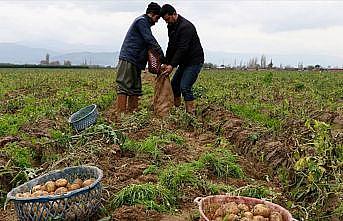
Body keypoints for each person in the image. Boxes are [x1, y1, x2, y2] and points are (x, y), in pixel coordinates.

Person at [115, 2, 164, 114]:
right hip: (129, 57)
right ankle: (120, 115)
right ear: (151, 14)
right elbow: (149, 40)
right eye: (157, 18)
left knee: (135, 88)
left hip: (136, 60)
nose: (156, 22)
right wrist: (161, 55)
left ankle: (133, 113)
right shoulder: (141, 21)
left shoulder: (144, 23)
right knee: (124, 86)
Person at [160, 4, 204, 114]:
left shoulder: (186, 27)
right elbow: (171, 46)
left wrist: (172, 65)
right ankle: (178, 111)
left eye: (168, 19)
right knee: (175, 85)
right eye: (165, 20)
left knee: (185, 86)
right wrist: (166, 62)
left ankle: (191, 114)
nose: (167, 22)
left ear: (174, 14)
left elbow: (182, 49)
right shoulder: (171, 26)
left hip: (194, 61)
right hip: (184, 62)